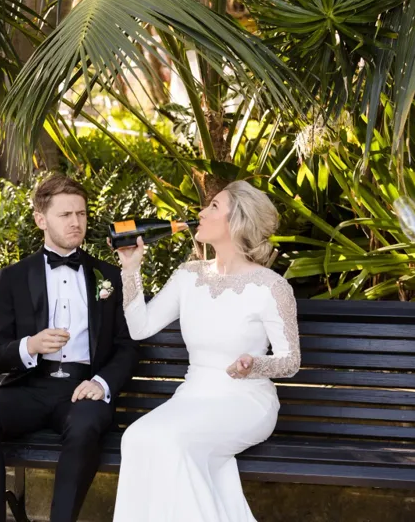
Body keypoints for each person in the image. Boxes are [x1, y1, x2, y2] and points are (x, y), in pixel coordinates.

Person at [112, 180, 301, 521]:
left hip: (246, 401)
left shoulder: (272, 287)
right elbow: (141, 328)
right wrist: (131, 270)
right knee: (137, 438)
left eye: (213, 206)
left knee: (173, 444)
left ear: (237, 221)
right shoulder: (188, 276)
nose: (200, 212)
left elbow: (290, 361)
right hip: (192, 397)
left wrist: (252, 364)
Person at [0, 174, 138, 522]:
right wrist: (30, 345)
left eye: (82, 214)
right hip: (29, 386)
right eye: (66, 215)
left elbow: (126, 347)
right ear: (40, 219)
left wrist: (101, 384)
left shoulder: (109, 276)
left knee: (87, 426)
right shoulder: (13, 277)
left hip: (83, 389)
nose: (77, 222)